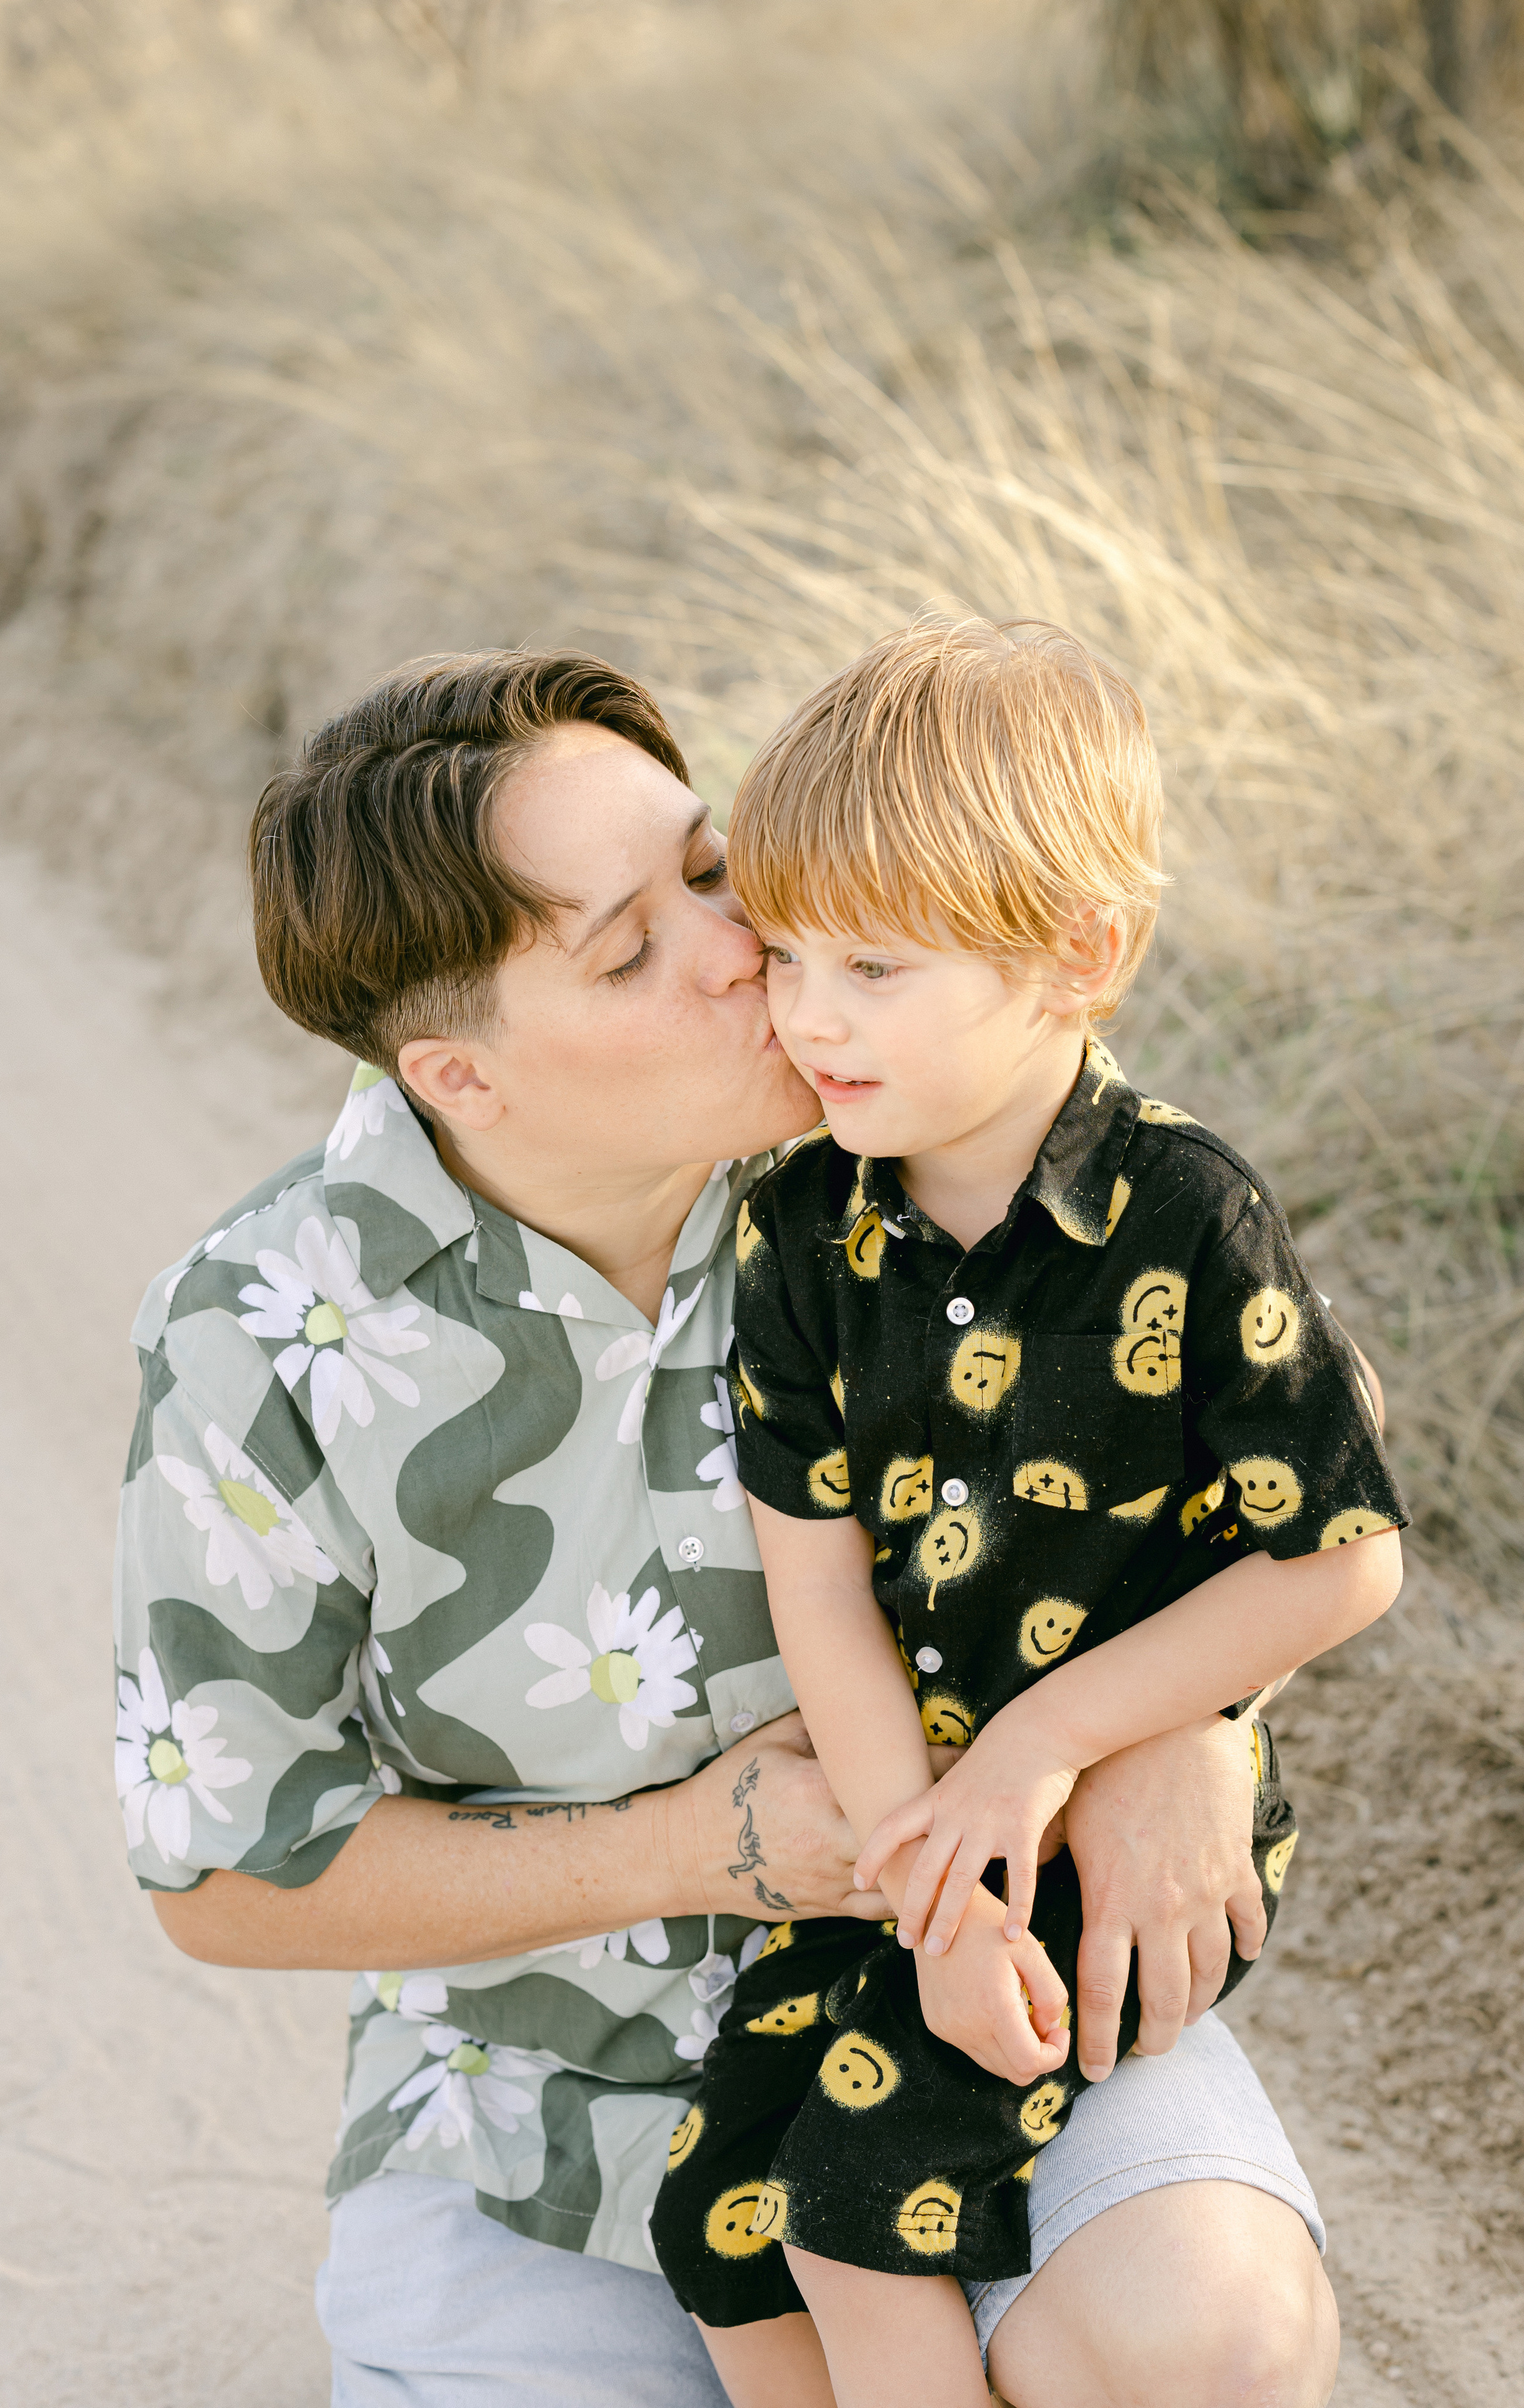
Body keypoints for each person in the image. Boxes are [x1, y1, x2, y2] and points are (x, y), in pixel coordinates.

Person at [115, 646, 1368, 2408]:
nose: (749, 950)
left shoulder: (907, 1124)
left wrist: (1191, 1729)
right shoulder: (260, 1336)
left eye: (710, 869)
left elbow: (1290, 1479)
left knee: (1211, 2343)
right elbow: (227, 1871)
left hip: (974, 2009)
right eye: (632, 950)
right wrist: (692, 1851)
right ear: (458, 1076)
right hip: (539, 2113)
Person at [648, 618, 1406, 2407]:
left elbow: (1341, 1562)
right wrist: (931, 1886)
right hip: (915, 1841)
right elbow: (819, 1588)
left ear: (1080, 953)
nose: (808, 1016)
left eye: (875, 965)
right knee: (719, 2226)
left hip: (1101, 1835)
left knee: (857, 2221)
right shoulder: (798, 1231)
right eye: (788, 955)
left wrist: (1044, 1751)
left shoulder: (1185, 1217)